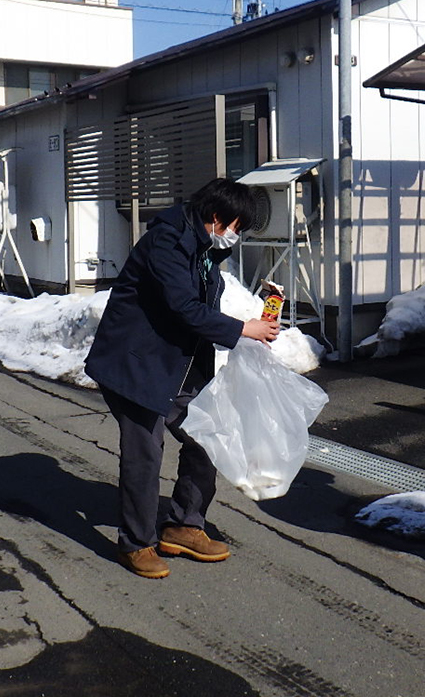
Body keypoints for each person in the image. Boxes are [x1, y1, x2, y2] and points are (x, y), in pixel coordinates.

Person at [85, 178, 280, 579]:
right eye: (237, 227)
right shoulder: (168, 242)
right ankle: (135, 544)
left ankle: (184, 525)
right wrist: (243, 330)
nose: (236, 236)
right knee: (145, 452)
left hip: (177, 364)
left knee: (207, 436)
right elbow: (184, 307)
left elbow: (203, 301)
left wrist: (254, 323)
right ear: (215, 217)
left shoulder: (203, 246)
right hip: (135, 364)